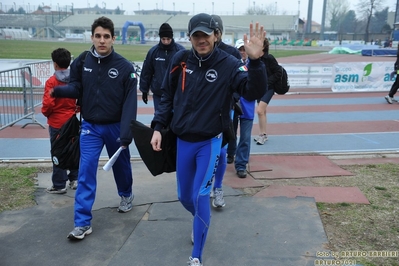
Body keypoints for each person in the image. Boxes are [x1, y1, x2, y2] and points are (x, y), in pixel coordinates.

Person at [150, 13, 266, 266]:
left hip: (210, 142)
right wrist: (158, 126)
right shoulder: (180, 59)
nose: (201, 40)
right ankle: (199, 221)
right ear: (190, 37)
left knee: (202, 194)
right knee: (185, 197)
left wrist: (256, 62)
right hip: (183, 140)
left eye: (206, 34)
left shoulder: (229, 62)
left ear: (216, 35)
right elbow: (166, 96)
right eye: (196, 35)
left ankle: (196, 257)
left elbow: (252, 91)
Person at [51, 16, 138, 240]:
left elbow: (130, 103)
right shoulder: (82, 61)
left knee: (121, 167)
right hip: (90, 127)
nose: (102, 40)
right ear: (92, 37)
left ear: (113, 39)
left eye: (106, 36)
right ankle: (82, 222)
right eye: (98, 36)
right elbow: (76, 87)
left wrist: (126, 133)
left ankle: (126, 194)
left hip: (115, 128)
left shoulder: (124, 67)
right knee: (86, 169)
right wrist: (61, 91)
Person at [210, 14, 243, 208]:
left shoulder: (232, 53)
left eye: (215, 32)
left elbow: (241, 83)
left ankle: (218, 188)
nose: (210, 36)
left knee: (221, 153)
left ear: (219, 33)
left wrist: (233, 100)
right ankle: (203, 187)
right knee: (203, 153)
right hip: (201, 114)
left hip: (225, 111)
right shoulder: (196, 53)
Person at [41, 48, 79, 194]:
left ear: (55, 64)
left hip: (57, 122)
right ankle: (74, 179)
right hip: (71, 120)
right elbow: (80, 99)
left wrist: (47, 114)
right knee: (73, 149)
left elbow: (48, 104)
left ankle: (59, 183)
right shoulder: (75, 80)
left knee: (57, 151)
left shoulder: (52, 82)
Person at [140, 23, 186, 111]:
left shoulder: (181, 51)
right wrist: (144, 90)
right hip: (159, 94)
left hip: (176, 94)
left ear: (172, 37)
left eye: (168, 39)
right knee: (159, 120)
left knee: (175, 121)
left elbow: (187, 73)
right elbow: (147, 71)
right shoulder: (153, 52)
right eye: (163, 39)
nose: (165, 42)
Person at [233, 39, 257, 179]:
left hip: (247, 107)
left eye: (244, 49)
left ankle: (241, 165)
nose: (242, 52)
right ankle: (231, 155)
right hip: (233, 106)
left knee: (245, 138)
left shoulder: (254, 66)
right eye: (240, 49)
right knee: (230, 136)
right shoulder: (231, 64)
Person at [254, 38, 282, 145]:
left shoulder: (269, 58)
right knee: (263, 112)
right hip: (258, 88)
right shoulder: (255, 58)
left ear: (263, 46)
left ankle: (262, 135)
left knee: (260, 111)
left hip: (269, 88)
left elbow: (278, 72)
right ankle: (263, 133)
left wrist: (267, 82)